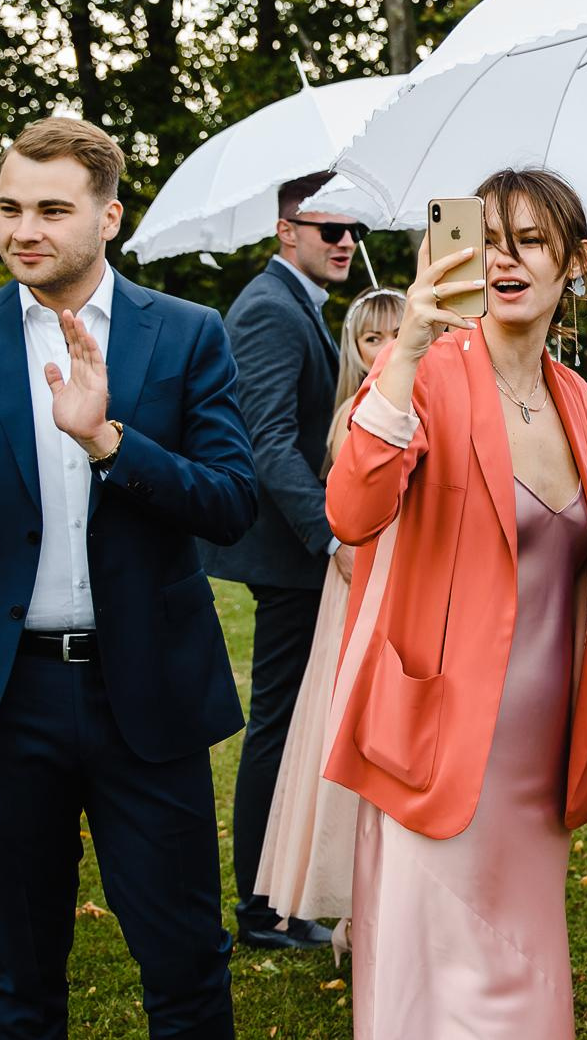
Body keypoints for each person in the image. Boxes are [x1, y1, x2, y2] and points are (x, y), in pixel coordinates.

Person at [0, 116, 256, 1038]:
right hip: (3, 703)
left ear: (109, 216)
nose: (22, 230)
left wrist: (109, 441)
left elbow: (233, 502)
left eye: (49, 208)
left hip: (147, 695)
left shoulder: (189, 335)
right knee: (19, 973)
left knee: (187, 965)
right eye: (8, 208)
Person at [322, 168, 587, 1038]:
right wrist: (408, 342)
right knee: (439, 996)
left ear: (575, 264)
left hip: (541, 759)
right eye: (489, 238)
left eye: (530, 240)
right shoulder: (425, 371)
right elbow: (353, 510)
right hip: (436, 748)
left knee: (527, 984)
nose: (505, 258)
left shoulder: (580, 399)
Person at [198, 171, 362, 951]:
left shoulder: (300, 305)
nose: (343, 241)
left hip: (301, 549)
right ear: (283, 230)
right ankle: (263, 907)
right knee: (278, 724)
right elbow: (265, 443)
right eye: (327, 228)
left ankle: (282, 893)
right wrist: (331, 536)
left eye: (351, 229)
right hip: (290, 552)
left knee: (295, 721)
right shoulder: (267, 309)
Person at [252, 287, 406, 960]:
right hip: (365, 591)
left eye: (399, 333)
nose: (388, 349)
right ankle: (350, 903)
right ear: (356, 348)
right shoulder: (357, 415)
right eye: (373, 339)